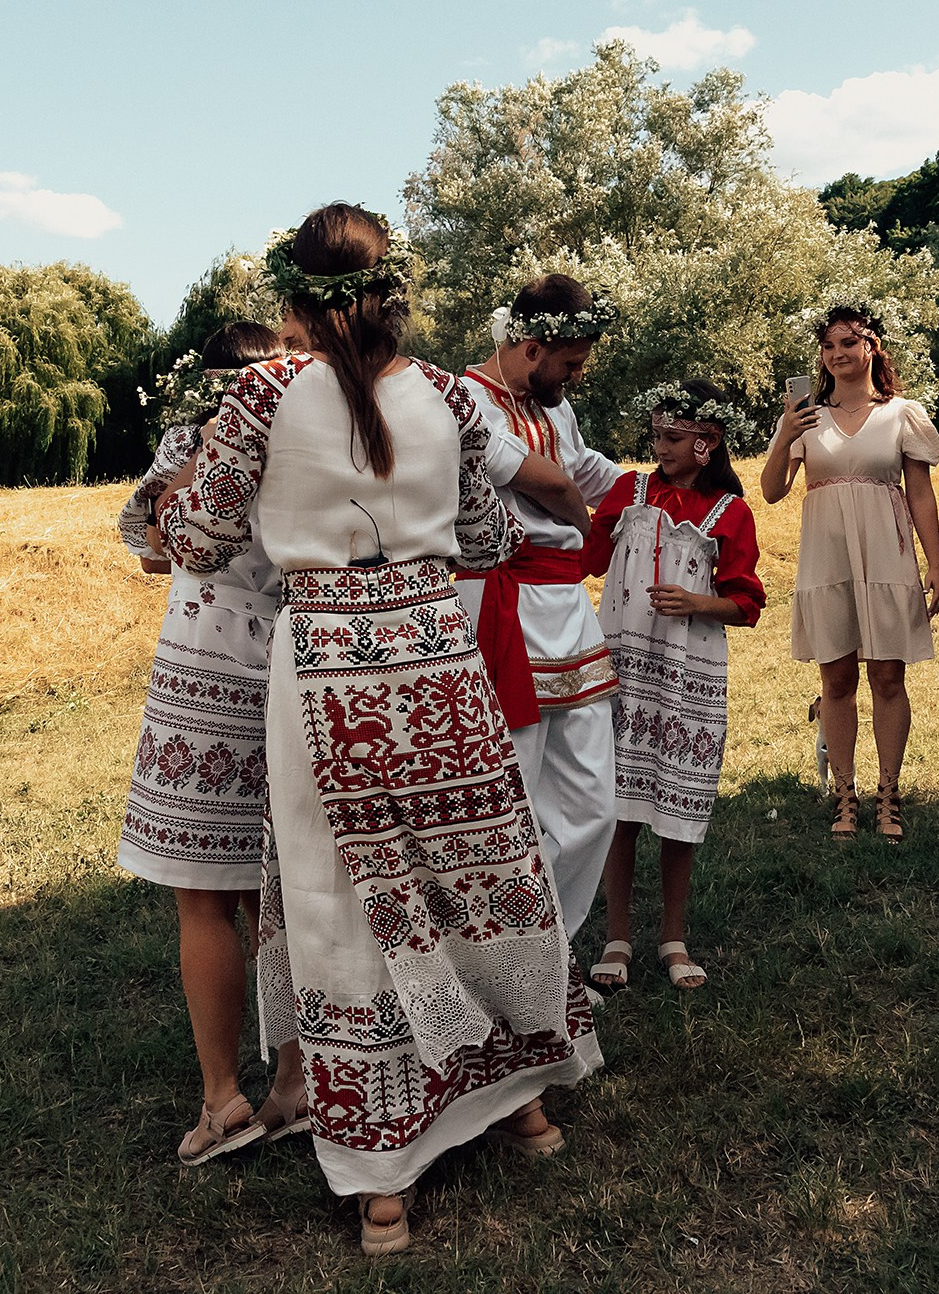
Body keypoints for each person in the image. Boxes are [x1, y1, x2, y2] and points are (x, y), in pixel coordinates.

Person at [156, 205, 599, 1257]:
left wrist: (165, 495)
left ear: (296, 298)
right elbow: (487, 534)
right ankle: (523, 1103)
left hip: (326, 664)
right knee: (477, 869)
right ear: (391, 289)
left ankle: (383, 1181)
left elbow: (201, 541)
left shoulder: (263, 394)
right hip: (438, 654)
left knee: (342, 899)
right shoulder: (447, 391)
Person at [116, 323, 307, 1165]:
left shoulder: (190, 447)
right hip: (289, 662)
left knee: (202, 893)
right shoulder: (305, 444)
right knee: (278, 885)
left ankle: (224, 1098)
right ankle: (296, 1081)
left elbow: (158, 553)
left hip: (202, 666)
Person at [454, 276, 625, 935]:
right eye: (571, 363)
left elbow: (580, 468)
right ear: (531, 348)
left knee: (592, 801)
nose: (577, 376)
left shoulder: (555, 405)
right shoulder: (466, 400)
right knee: (511, 788)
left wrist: (657, 493)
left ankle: (549, 943)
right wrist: (590, 525)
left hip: (568, 606)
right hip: (503, 603)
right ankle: (504, 946)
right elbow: (550, 485)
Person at [581, 380, 764, 993]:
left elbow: (746, 603)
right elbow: (584, 558)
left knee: (679, 805)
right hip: (622, 665)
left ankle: (673, 936)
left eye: (674, 437)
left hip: (687, 669)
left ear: (707, 442)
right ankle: (617, 935)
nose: (660, 446)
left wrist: (696, 601)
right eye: (656, 433)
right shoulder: (628, 492)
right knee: (619, 805)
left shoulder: (729, 513)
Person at [761, 305, 939, 838]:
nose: (838, 353)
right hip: (827, 558)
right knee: (836, 678)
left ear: (871, 347)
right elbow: (772, 491)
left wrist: (935, 562)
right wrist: (784, 435)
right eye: (828, 346)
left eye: (849, 342)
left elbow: (921, 494)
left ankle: (889, 794)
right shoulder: (805, 418)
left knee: (888, 676)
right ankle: (846, 795)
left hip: (887, 554)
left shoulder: (903, 414)